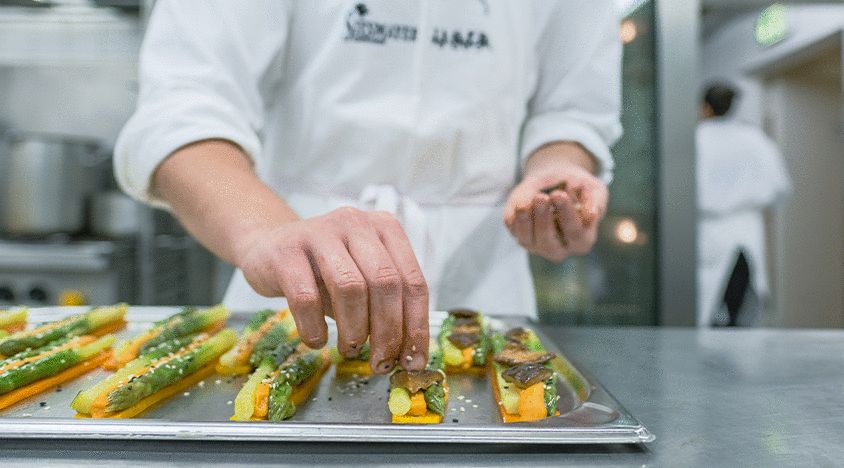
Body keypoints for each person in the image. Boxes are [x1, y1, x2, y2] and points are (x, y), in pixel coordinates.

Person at [115, 1, 622, 373]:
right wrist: (267, 235)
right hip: (299, 276)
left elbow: (572, 111)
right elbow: (182, 111)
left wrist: (556, 175)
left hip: (482, 280)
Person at [696, 84, 792, 327]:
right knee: (737, 305)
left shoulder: (697, 139)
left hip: (709, 229)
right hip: (747, 230)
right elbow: (780, 186)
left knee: (706, 306)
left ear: (705, 108)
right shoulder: (755, 139)